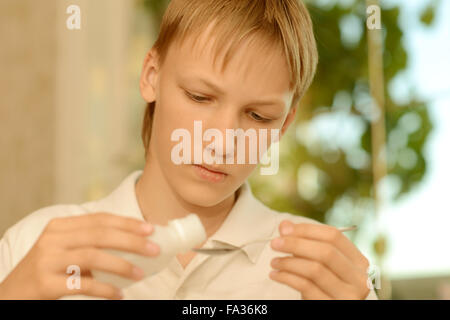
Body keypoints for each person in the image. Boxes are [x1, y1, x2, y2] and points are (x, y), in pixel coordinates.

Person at [0, 0, 378, 300]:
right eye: (200, 96)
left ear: (285, 124)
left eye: (259, 116)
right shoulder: (36, 245)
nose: (222, 141)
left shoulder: (320, 277)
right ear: (151, 76)